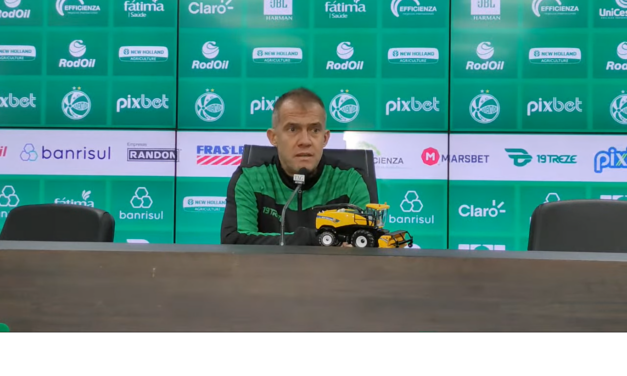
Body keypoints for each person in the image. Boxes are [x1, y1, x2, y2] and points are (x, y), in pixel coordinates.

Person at [220, 88, 371, 245]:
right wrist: (310, 239)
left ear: (325, 138)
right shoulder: (251, 178)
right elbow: (235, 242)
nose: (305, 141)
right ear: (274, 137)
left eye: (314, 130)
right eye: (293, 129)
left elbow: (364, 245)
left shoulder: (352, 181)